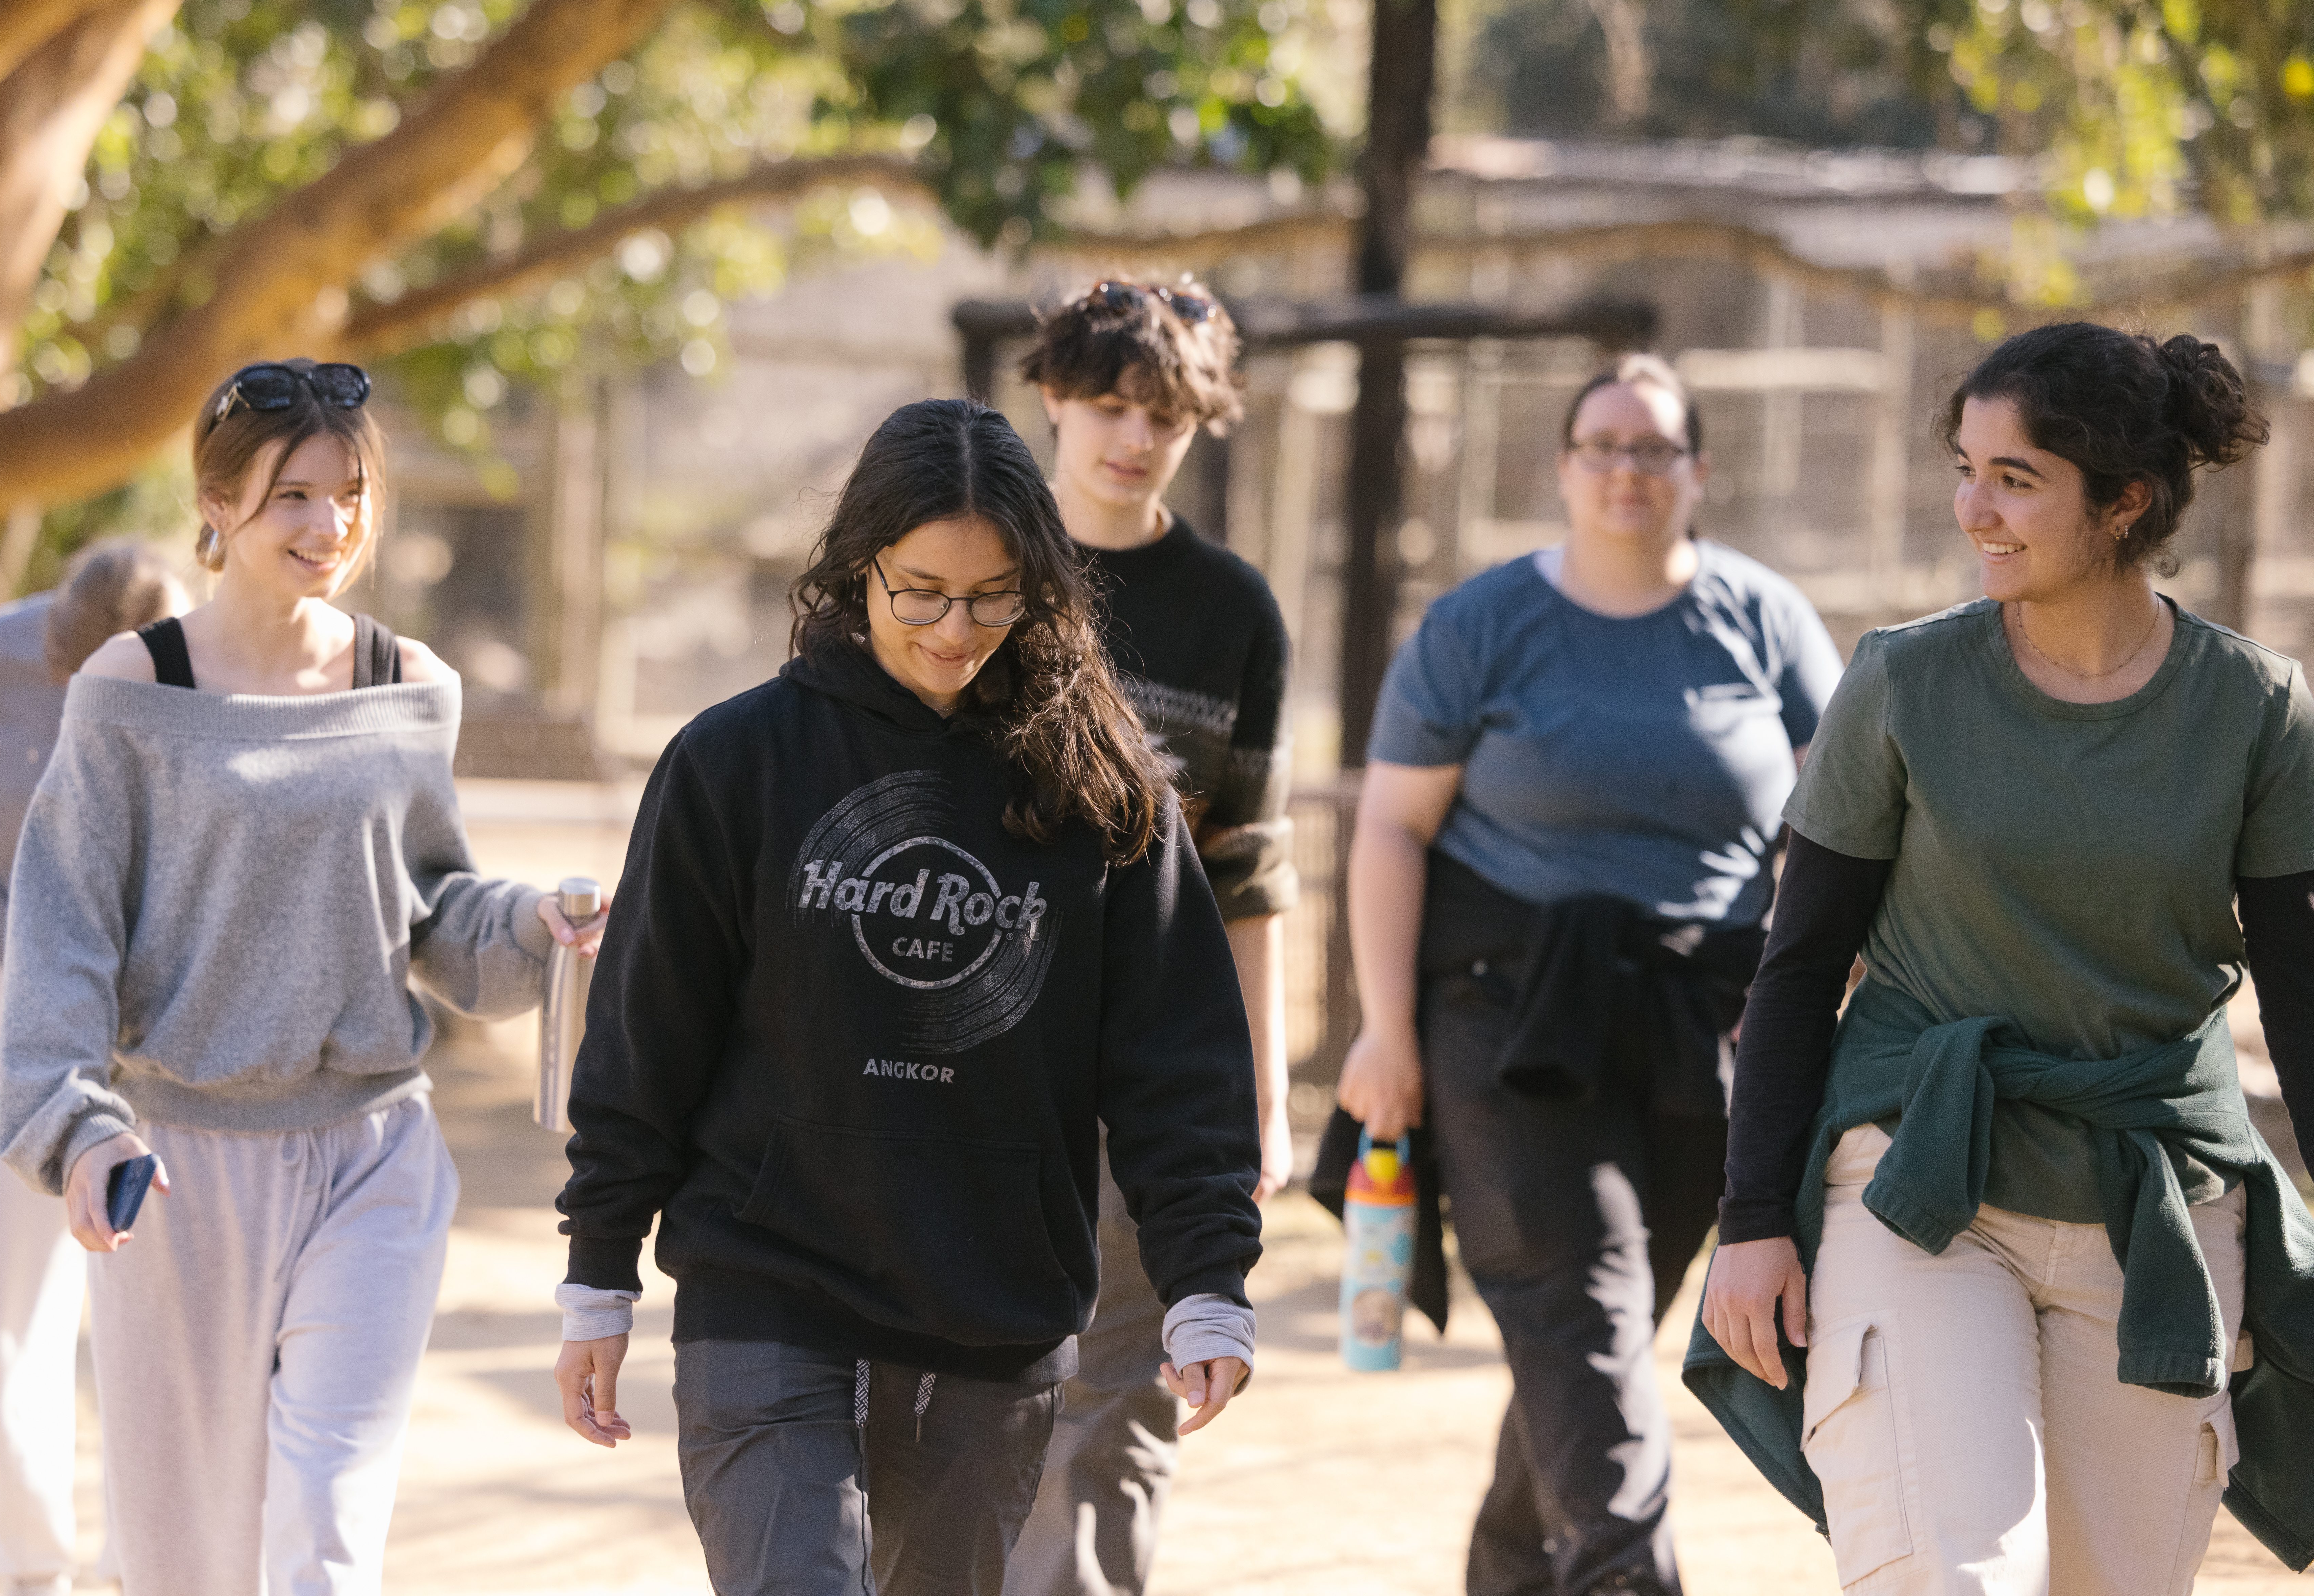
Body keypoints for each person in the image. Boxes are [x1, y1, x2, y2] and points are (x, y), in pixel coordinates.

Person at [552, 397, 1264, 1596]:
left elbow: (1177, 1061)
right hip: (766, 1288)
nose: (955, 629)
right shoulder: (738, 762)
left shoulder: (1102, 790)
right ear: (857, 567)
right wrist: (600, 1271)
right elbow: (646, 1034)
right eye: (921, 591)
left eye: (994, 597)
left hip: (989, 1314)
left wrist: (1207, 1283)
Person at [1696, 324, 2314, 1596]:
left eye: (2016, 478)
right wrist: (1754, 1218)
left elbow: (2305, 1001)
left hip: (2160, 1215)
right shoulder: (1901, 682)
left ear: (2125, 501)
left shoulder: (2258, 711)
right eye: (1966, 467)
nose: (1974, 507)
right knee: (1954, 1577)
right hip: (1921, 1183)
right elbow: (1801, 967)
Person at [0, 359, 602, 1596]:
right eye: (292, 497)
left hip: (373, 1153)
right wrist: (76, 1131)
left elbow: (433, 917)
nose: (327, 528)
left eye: (349, 496)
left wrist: (533, 923)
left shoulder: (407, 684)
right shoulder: (132, 690)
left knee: (325, 1529)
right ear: (216, 506)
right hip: (178, 1168)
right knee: (186, 1560)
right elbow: (63, 935)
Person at [1337, 356, 1842, 1596]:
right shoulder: (1481, 625)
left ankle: (1514, 1570)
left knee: (1592, 1334)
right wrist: (1384, 1032)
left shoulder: (1764, 620)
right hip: (1506, 1018)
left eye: (1655, 448)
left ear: (1697, 472)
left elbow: (1841, 828)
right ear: (1564, 469)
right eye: (1603, 446)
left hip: (1700, 1023)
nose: (1628, 469)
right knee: (1587, 1307)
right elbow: (1392, 828)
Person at [1004, 279, 1298, 1596]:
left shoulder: (1231, 610)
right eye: (1111, 404)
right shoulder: (971, 565)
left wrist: (1261, 1100)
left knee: (1116, 1398)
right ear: (1053, 397)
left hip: (1142, 1070)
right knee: (951, 1392)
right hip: (965, 1050)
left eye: (1165, 415)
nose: (1133, 435)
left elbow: (1245, 874)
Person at [0, 540, 186, 1595]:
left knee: (158, 1305)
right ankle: (34, 1571)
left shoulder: (213, 668)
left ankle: (146, 1564)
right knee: (12, 1306)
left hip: (160, 1007)